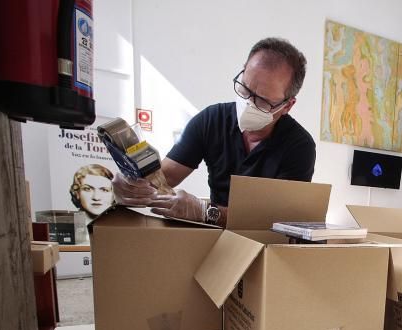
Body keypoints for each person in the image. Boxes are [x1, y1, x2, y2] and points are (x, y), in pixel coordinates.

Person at [112, 37, 316, 227]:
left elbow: (276, 221)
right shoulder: (211, 120)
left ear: (288, 105)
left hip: (264, 246)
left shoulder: (299, 147)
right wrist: (132, 184)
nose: (248, 103)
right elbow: (164, 179)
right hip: (214, 240)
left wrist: (206, 212)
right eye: (244, 88)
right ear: (243, 70)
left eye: (262, 101)